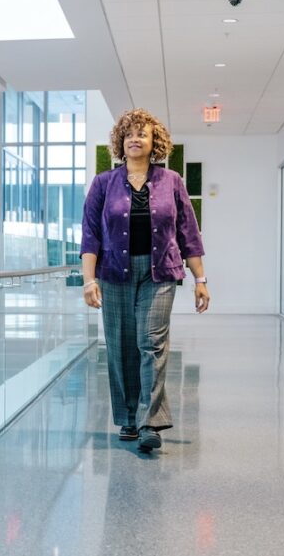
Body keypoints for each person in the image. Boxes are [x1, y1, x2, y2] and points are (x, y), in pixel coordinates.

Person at [80, 108, 209, 454]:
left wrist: (200, 278)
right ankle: (127, 417)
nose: (135, 138)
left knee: (150, 343)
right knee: (121, 346)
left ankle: (151, 422)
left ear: (155, 143)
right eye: (129, 134)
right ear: (121, 142)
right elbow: (90, 235)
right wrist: (88, 280)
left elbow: (188, 234)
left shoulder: (172, 182)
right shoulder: (103, 184)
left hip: (159, 273)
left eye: (143, 134)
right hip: (113, 274)